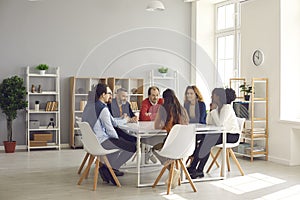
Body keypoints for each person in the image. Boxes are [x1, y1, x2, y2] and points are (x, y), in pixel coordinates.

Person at [81, 83, 136, 184]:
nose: (111, 96)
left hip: (92, 142)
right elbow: (110, 129)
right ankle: (110, 168)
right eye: (109, 93)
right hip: (101, 142)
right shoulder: (103, 109)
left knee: (122, 142)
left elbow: (112, 121)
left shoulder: (90, 105)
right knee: (133, 147)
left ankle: (108, 168)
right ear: (103, 94)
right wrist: (117, 140)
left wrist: (124, 120)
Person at [187, 88, 239, 179]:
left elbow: (220, 124)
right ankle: (194, 168)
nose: (211, 97)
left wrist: (214, 110)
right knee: (204, 140)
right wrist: (211, 111)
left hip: (231, 135)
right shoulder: (219, 107)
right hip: (222, 133)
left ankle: (198, 169)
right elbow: (209, 122)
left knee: (207, 142)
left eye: (213, 95)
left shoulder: (227, 108)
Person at [153, 88, 189, 189]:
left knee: (155, 148)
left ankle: (172, 170)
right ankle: (175, 170)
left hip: (171, 145)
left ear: (164, 98)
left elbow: (156, 126)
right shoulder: (182, 109)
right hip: (185, 146)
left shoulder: (163, 108)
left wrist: (165, 126)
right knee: (171, 151)